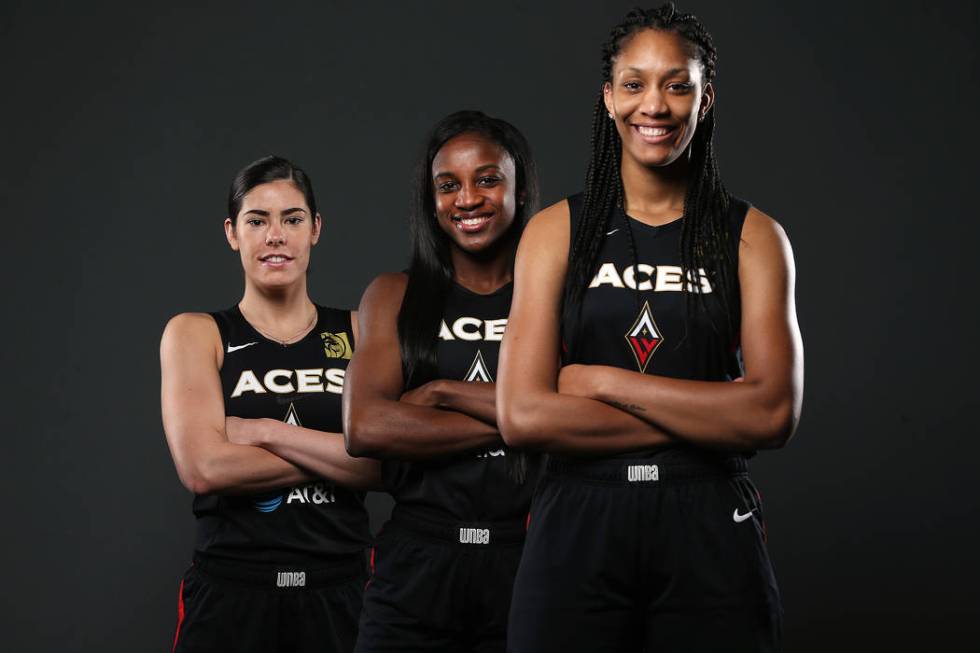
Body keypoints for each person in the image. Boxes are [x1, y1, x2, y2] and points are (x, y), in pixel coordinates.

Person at [497, 4, 803, 651]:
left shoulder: (754, 238)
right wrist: (712, 415)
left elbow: (773, 411)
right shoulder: (556, 233)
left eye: (677, 83)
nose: (655, 106)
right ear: (608, 98)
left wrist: (600, 381)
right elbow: (523, 415)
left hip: (708, 519)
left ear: (706, 96)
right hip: (580, 515)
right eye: (634, 83)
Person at [160, 155, 379, 653]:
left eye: (292, 219)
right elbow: (205, 468)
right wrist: (344, 453)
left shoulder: (360, 330)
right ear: (232, 233)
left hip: (342, 591)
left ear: (316, 229)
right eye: (257, 220)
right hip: (231, 595)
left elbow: (388, 465)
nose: (275, 236)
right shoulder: (196, 333)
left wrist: (264, 431)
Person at [343, 110, 541, 652]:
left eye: (487, 179)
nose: (467, 199)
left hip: (531, 558)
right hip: (417, 564)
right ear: (431, 202)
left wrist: (441, 393)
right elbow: (365, 426)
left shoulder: (555, 298)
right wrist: (527, 419)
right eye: (448, 185)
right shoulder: (393, 295)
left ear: (520, 191)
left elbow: (584, 411)